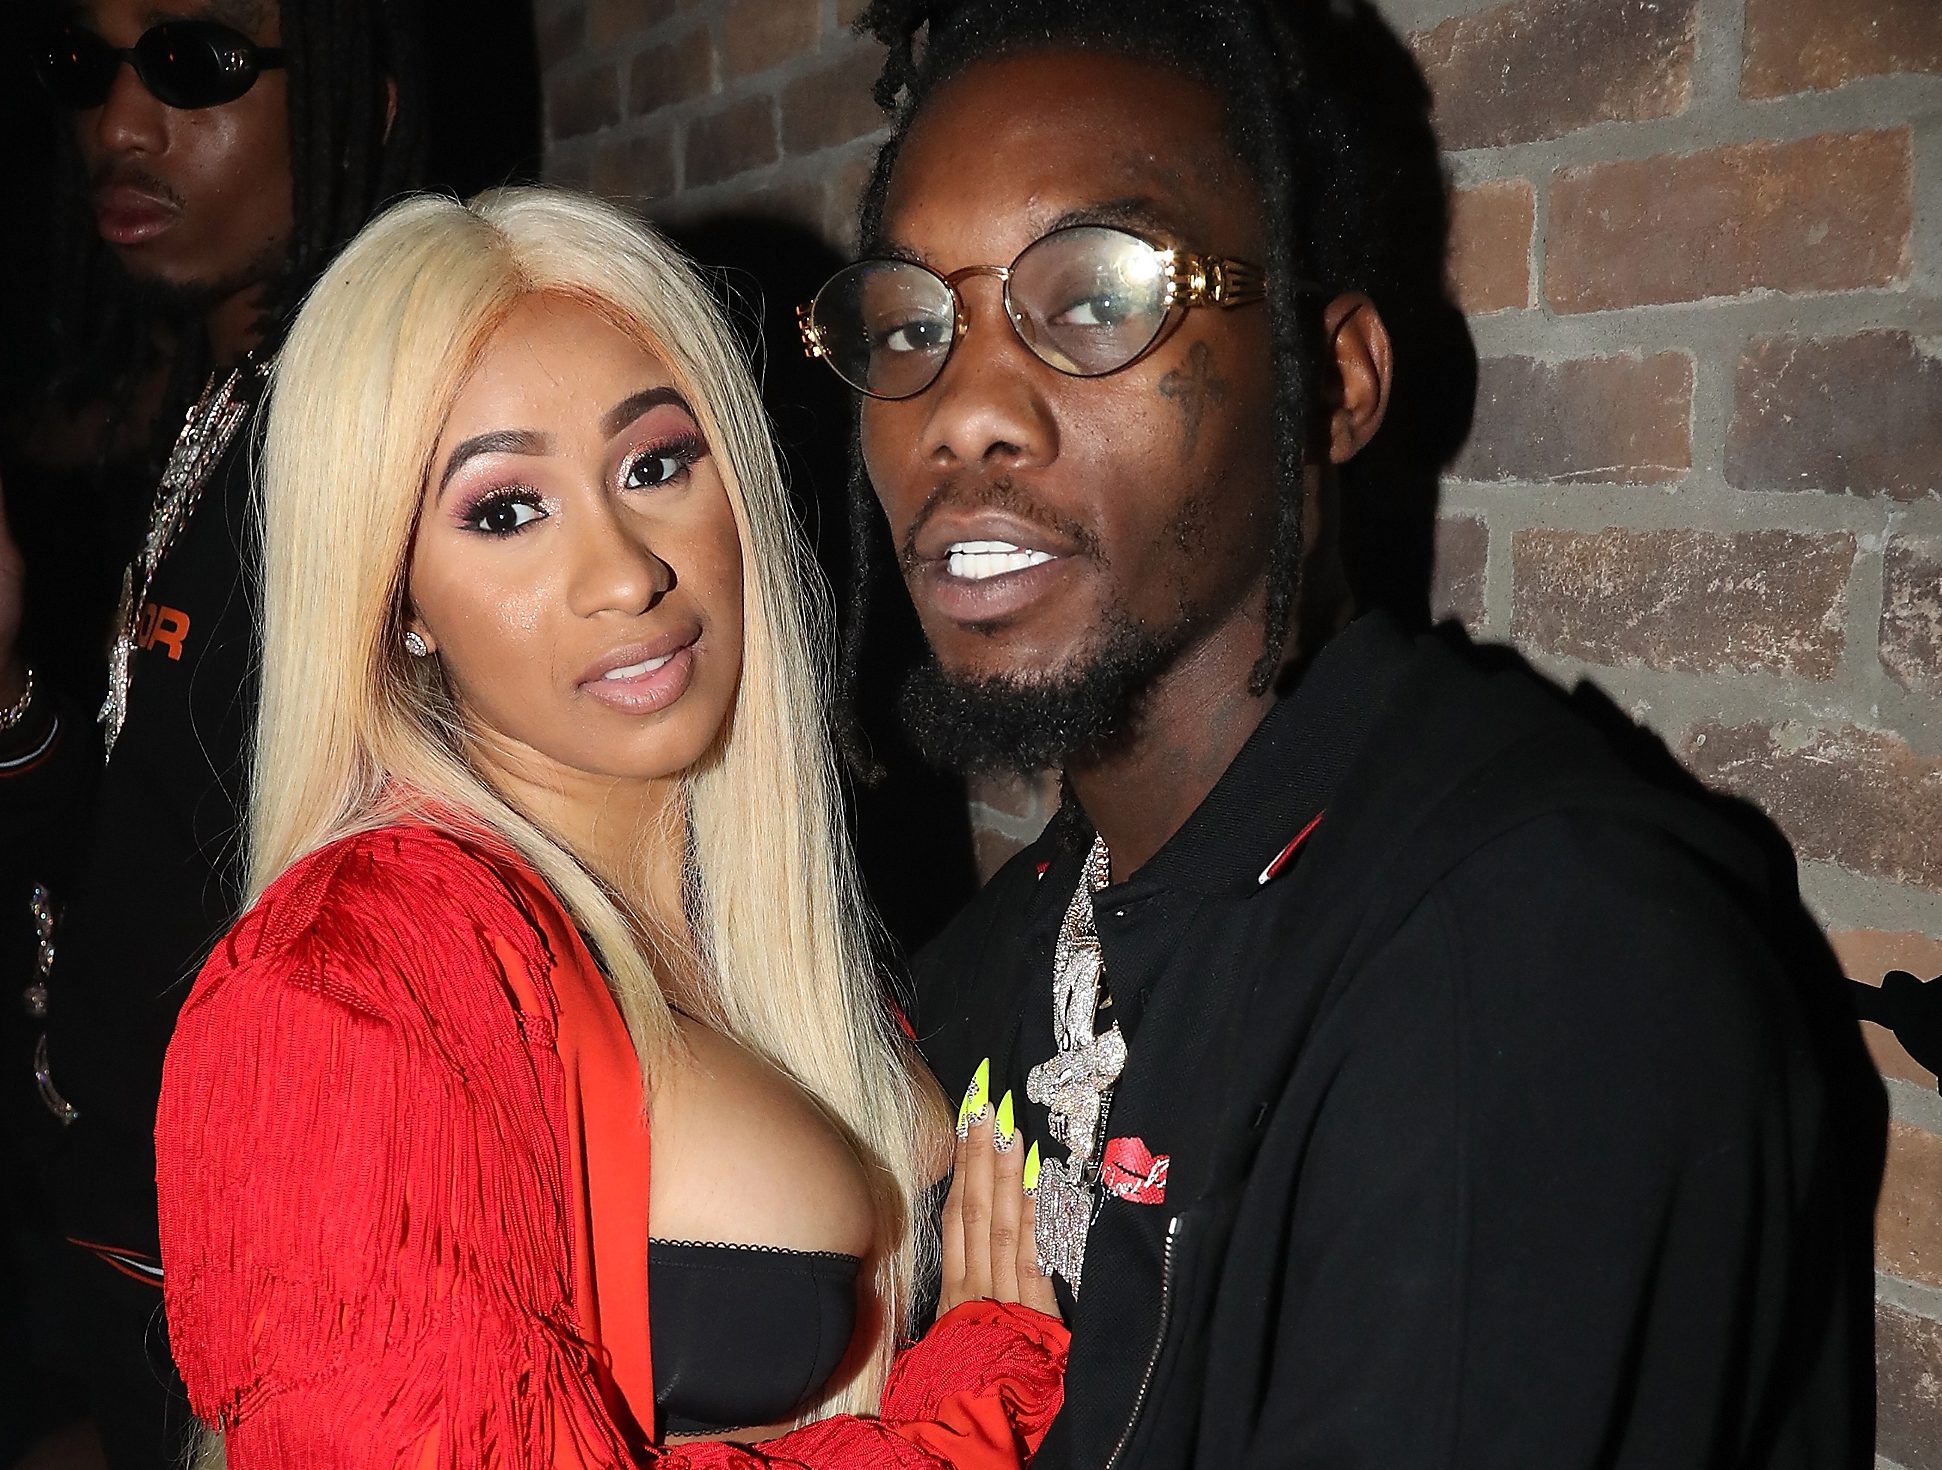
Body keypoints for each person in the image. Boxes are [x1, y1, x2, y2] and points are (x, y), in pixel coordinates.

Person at [798, 1, 1885, 1465]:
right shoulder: (991, 967)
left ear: (1336, 384)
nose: (963, 411)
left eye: (1100, 297)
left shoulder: (1528, 971)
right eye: (912, 325)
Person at [152, 187, 1066, 1468]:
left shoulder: (778, 938)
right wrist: (975, 1410)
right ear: (394, 596)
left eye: (654, 466)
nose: (629, 573)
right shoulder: (345, 982)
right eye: (505, 510)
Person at [0, 0, 424, 1460]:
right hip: (121, 1286)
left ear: (363, 108)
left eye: (195, 65)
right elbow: (148, 836)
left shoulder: (386, 452)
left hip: (266, 1336)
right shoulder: (229, 401)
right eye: (83, 67)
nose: (119, 125)